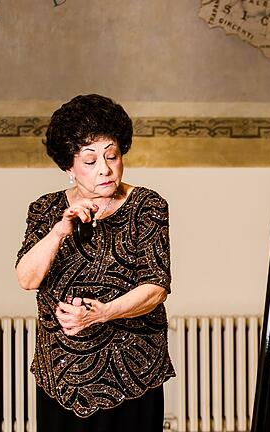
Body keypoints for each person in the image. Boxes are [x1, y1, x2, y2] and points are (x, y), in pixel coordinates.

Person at [15, 94, 174, 431]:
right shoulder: (44, 210)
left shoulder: (147, 206)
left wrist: (100, 313)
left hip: (133, 373)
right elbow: (27, 278)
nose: (105, 168)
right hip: (61, 376)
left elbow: (156, 287)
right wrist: (61, 229)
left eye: (112, 156)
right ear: (68, 167)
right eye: (89, 161)